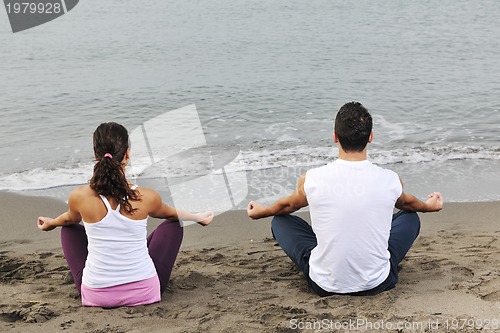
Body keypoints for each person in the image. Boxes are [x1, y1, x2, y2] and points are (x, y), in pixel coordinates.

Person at [247, 102, 443, 296]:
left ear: (335, 137)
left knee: (280, 220)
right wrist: (429, 206)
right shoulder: (390, 179)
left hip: (323, 284)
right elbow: (409, 203)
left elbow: (287, 206)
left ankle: (329, 259)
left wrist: (262, 211)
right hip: (377, 283)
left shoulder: (313, 178)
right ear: (371, 138)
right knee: (410, 217)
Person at [37, 122, 214, 307]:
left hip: (97, 296)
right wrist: (197, 217)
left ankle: (99, 283)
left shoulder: (80, 197)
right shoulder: (146, 196)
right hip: (144, 293)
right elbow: (170, 213)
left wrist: (52, 223)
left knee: (68, 228)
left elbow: (69, 218)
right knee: (174, 224)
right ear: (127, 154)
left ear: (95, 156)